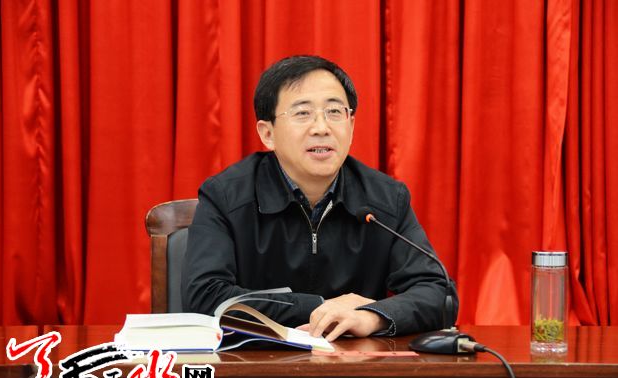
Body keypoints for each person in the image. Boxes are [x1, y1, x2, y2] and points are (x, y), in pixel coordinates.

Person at [181, 55, 458, 342]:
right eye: (303, 113)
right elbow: (205, 296)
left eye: (334, 112)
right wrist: (320, 307)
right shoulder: (225, 196)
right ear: (267, 133)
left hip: (354, 365)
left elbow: (439, 294)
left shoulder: (386, 200)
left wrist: (371, 315)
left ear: (351, 125)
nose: (321, 128)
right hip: (256, 361)